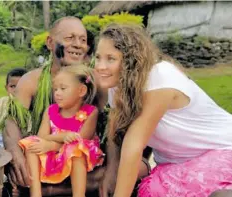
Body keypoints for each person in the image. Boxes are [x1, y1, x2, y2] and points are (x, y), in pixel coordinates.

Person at [0, 16, 151, 196]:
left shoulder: (97, 82)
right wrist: (16, 154)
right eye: (70, 38)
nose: (78, 44)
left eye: (83, 40)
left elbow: (114, 128)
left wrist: (111, 172)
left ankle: (50, 190)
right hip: (45, 160)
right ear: (49, 42)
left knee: (120, 169)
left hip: (84, 165)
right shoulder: (31, 81)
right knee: (18, 160)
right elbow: (11, 121)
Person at [95, 24, 232, 197]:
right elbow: (115, 133)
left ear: (131, 61)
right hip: (175, 165)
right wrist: (111, 171)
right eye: (98, 57)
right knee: (153, 189)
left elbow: (134, 143)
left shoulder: (159, 77)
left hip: (222, 150)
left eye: (110, 59)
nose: (100, 66)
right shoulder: (117, 85)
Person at [19, 65, 103, 197]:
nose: (57, 93)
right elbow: (42, 136)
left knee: (76, 150)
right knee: (31, 144)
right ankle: (35, 193)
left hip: (80, 156)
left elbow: (82, 141)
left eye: (63, 89)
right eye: (55, 89)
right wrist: (60, 138)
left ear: (81, 90)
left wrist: (52, 144)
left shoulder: (90, 112)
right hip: (54, 152)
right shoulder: (51, 110)